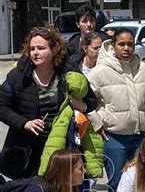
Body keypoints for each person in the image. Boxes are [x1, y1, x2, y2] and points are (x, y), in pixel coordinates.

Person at [86, 28, 145, 192]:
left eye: (130, 44)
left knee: (143, 182)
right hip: (114, 138)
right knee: (117, 183)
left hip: (139, 137)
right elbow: (85, 101)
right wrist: (98, 123)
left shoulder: (144, 70)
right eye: (122, 44)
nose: (126, 48)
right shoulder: (100, 72)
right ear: (113, 45)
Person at [0, 27, 97, 180]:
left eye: (41, 48)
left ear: (54, 49)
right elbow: (2, 106)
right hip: (26, 152)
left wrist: (82, 106)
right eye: (32, 48)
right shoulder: (18, 76)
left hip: (59, 151)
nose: (35, 52)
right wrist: (24, 123)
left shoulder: (68, 73)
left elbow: (91, 100)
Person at [75, 32, 105, 192]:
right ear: (85, 48)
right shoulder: (75, 69)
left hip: (97, 123)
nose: (99, 51)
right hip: (76, 123)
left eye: (101, 47)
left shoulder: (104, 68)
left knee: (93, 166)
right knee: (75, 167)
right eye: (96, 48)